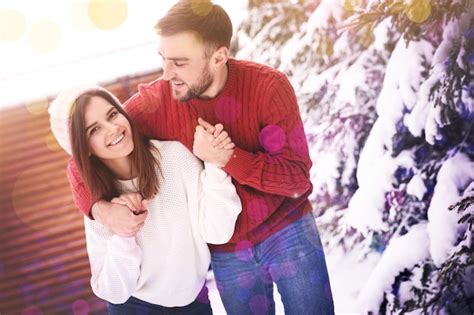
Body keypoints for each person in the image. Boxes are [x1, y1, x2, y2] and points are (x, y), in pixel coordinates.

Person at [66, 0, 335, 314]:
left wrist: (228, 157)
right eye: (163, 59)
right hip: (229, 251)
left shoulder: (267, 87)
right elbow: (81, 159)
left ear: (219, 56)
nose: (167, 74)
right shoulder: (159, 101)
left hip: (287, 230)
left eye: (179, 62)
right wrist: (102, 211)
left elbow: (296, 178)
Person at [48, 85, 242, 314]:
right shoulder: (99, 201)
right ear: (84, 149)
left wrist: (215, 165)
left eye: (112, 115)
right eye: (94, 130)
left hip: (192, 302)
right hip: (134, 306)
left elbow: (217, 232)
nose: (113, 128)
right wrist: (124, 236)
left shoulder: (175, 157)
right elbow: (113, 291)